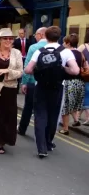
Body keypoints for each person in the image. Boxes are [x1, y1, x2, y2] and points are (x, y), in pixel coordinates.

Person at [24, 26, 80, 158]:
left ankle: (41, 148)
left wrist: (38, 69)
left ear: (45, 37)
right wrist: (62, 68)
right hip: (57, 88)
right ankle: (49, 142)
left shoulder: (39, 51)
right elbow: (75, 71)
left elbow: (27, 70)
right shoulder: (65, 52)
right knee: (53, 116)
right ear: (59, 37)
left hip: (41, 87)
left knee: (40, 116)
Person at [17, 27, 47, 136]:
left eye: (36, 34)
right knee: (44, 109)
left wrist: (24, 83)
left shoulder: (34, 47)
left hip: (34, 82)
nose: (35, 36)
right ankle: (43, 134)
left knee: (28, 107)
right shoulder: (58, 48)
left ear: (41, 35)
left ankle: (22, 128)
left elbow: (27, 67)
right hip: (50, 85)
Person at [59, 34, 84, 135]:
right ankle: (76, 120)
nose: (62, 43)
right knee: (73, 104)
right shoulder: (80, 53)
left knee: (65, 106)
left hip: (69, 82)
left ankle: (65, 129)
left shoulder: (66, 53)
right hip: (80, 82)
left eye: (64, 42)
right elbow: (85, 65)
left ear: (68, 43)